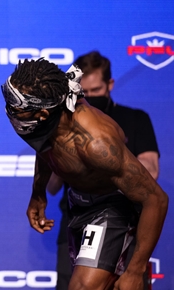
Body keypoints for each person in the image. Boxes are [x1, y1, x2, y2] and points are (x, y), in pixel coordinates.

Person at [0, 58, 168, 290]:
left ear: (43, 113)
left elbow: (156, 199)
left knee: (82, 287)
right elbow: (45, 147)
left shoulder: (97, 144)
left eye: (17, 111)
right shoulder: (47, 119)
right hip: (78, 204)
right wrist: (38, 193)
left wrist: (135, 271)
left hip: (112, 206)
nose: (11, 114)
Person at [47, 51, 160, 289]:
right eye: (84, 92)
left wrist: (110, 153)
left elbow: (152, 172)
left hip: (123, 221)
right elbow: (52, 186)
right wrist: (67, 155)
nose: (89, 97)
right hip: (75, 220)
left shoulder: (134, 119)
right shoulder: (65, 124)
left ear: (110, 84)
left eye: (96, 90)